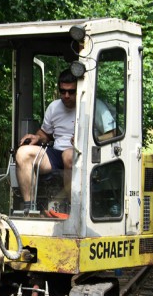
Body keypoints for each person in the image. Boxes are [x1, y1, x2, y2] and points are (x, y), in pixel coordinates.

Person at [15, 69, 115, 216]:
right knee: (22, 153)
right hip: (56, 153)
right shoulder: (54, 107)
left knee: (68, 155)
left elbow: (112, 133)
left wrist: (88, 140)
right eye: (63, 91)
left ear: (80, 88)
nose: (66, 96)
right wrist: (37, 137)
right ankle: (30, 208)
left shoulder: (94, 106)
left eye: (71, 91)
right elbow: (46, 134)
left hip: (83, 154)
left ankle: (73, 210)